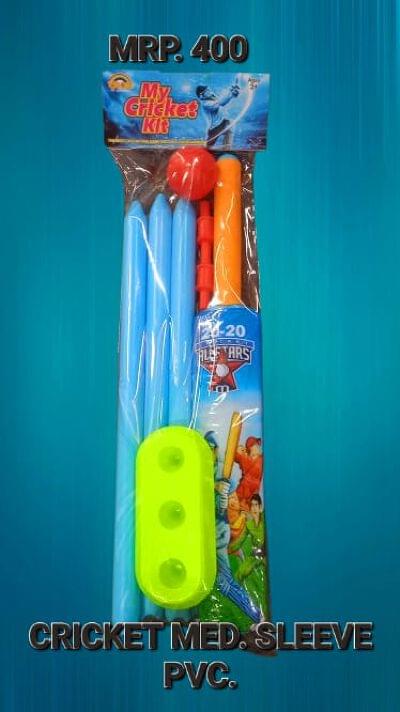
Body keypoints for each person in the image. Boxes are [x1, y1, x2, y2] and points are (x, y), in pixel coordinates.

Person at [196, 82, 240, 148]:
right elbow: (220, 103)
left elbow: (224, 100)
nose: (210, 91)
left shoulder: (212, 97)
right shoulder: (205, 104)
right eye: (207, 91)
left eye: (209, 89)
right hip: (215, 127)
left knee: (230, 124)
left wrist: (232, 93)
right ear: (201, 95)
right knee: (208, 146)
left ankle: (227, 148)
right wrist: (230, 92)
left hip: (222, 122)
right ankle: (206, 150)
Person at [234, 436, 263, 508]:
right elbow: (235, 456)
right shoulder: (245, 458)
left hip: (253, 493)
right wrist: (238, 449)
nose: (258, 446)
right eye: (255, 445)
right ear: (250, 447)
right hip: (242, 491)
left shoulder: (261, 459)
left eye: (258, 445)